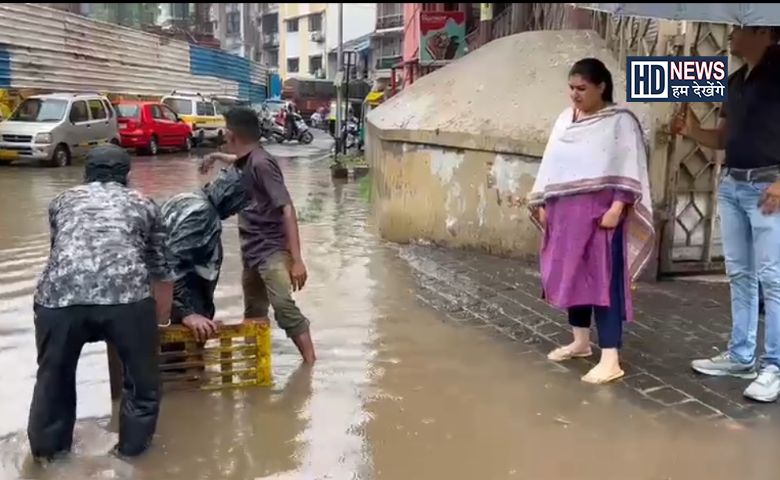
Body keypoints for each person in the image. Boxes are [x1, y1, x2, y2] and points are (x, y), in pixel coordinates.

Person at [29, 145, 173, 460]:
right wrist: (158, 324)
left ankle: (47, 459)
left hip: (58, 300)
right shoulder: (145, 203)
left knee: (53, 379)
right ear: (127, 176)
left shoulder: (62, 201)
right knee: (141, 384)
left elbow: (60, 252)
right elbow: (161, 270)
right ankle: (131, 458)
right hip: (126, 301)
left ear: (85, 173)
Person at [527, 58, 655, 385]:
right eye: (571, 88)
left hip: (601, 218)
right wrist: (542, 199)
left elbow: (630, 167)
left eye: (582, 88)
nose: (575, 94)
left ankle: (610, 357)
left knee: (603, 283)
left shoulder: (620, 122)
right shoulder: (564, 120)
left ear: (601, 87)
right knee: (573, 278)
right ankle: (581, 343)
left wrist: (617, 206)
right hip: (565, 218)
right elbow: (551, 163)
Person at [675, 26, 780, 402]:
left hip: (769, 187)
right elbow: (722, 138)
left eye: (740, 29)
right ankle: (740, 355)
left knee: (773, 278)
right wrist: (692, 131)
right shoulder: (734, 81)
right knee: (740, 273)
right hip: (734, 184)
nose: (731, 36)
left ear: (765, 33)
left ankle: (775, 366)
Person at [201, 108, 316, 364]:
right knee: (254, 312)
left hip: (272, 250)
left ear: (231, 133)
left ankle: (310, 366)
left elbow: (286, 207)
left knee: (284, 308)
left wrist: (297, 259)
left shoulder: (262, 163)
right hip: (251, 250)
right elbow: (237, 160)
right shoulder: (249, 159)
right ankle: (256, 365)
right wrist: (217, 156)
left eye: (224, 129)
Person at [162, 164, 252, 340]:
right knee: (184, 362)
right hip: (181, 305)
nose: (236, 211)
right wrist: (187, 313)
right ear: (231, 196)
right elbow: (170, 262)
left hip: (169, 302)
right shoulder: (203, 214)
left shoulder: (186, 198)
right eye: (240, 203)